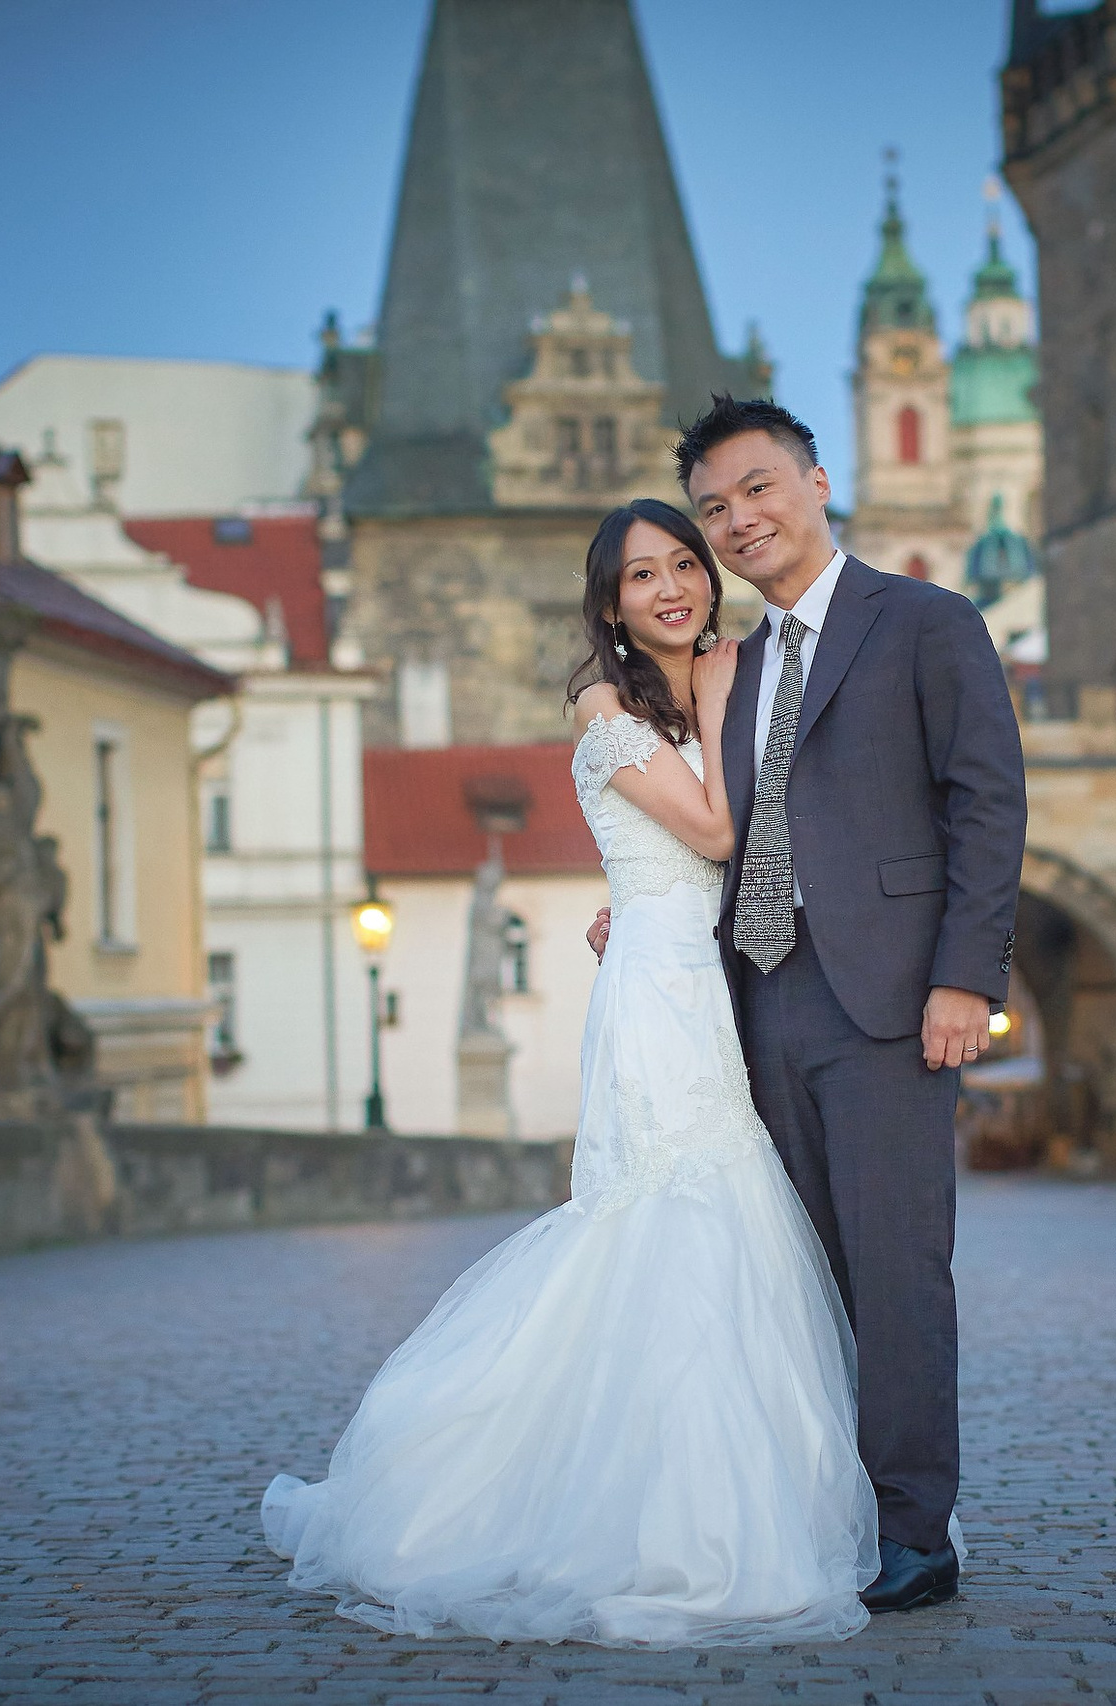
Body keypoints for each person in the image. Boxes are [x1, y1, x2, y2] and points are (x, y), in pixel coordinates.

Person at [260, 498, 878, 1648]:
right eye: (642, 575)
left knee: (728, 1217)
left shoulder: (707, 683)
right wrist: (717, 700)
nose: (670, 588)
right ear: (610, 602)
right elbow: (713, 830)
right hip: (656, 988)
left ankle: (738, 1500)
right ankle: (595, 1504)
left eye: (683, 564)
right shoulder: (605, 702)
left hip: (704, 971)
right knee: (668, 1214)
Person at [591, 397, 1026, 1613]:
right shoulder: (724, 666)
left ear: (817, 482)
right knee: (796, 1275)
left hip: (886, 998)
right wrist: (641, 910)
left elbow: (986, 802)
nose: (738, 520)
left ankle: (913, 1531)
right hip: (750, 998)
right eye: (714, 507)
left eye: (756, 489)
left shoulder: (926, 621)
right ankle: (824, 1506)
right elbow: (713, 828)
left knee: (896, 1271)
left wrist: (964, 975)